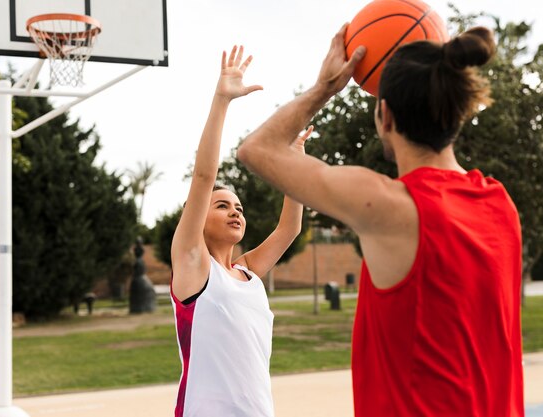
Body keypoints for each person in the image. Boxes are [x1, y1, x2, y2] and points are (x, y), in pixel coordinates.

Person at [238, 25, 523, 416]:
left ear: (385, 115)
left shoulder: (393, 205)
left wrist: (325, 87)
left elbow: (257, 149)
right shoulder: (499, 203)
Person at [170, 45, 306, 417]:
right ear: (196, 217)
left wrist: (293, 162)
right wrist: (222, 100)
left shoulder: (246, 272)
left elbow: (290, 228)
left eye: (239, 208)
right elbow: (204, 176)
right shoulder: (194, 268)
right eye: (222, 205)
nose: (235, 212)